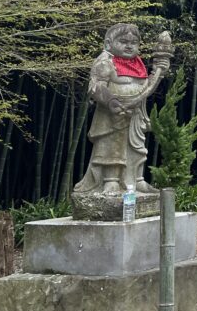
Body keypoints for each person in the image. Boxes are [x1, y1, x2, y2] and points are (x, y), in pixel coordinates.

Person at [72, 24, 171, 214]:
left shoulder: (138, 65)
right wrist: (110, 101)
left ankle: (136, 180)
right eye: (123, 42)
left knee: (137, 147)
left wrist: (159, 73)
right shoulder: (105, 62)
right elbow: (95, 87)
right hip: (112, 115)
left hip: (135, 114)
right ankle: (111, 181)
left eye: (134, 43)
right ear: (109, 43)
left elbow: (146, 88)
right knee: (112, 146)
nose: (129, 46)